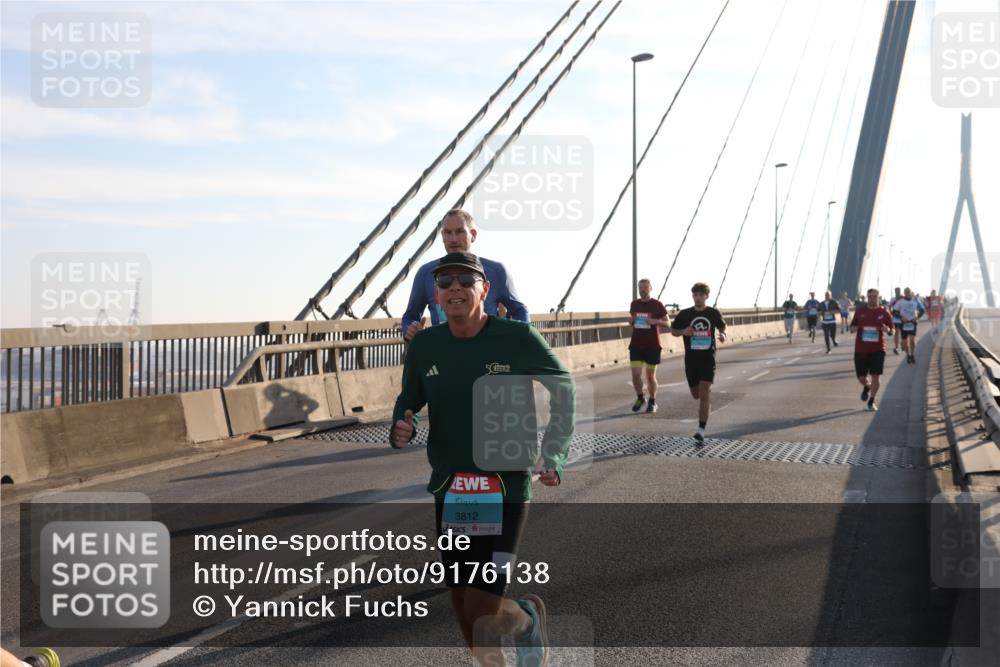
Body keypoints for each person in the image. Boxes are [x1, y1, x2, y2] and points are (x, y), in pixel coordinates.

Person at [391, 251, 574, 667]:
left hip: (505, 485)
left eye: (465, 280)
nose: (454, 287)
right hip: (452, 486)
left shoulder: (517, 338)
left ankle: (526, 620)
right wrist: (401, 425)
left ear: (485, 289)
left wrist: (555, 451)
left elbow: (563, 387)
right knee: (461, 601)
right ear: (436, 294)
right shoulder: (425, 345)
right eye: (445, 281)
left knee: (484, 605)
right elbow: (408, 399)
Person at [401, 209, 528, 342]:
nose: (453, 239)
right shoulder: (426, 273)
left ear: (473, 235)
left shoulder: (496, 271)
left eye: (460, 231)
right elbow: (410, 316)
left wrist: (518, 341)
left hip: (487, 349)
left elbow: (519, 310)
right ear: (442, 236)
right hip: (445, 350)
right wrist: (410, 330)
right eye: (448, 233)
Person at [670, 282, 727, 443]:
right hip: (691, 360)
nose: (698, 298)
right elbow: (673, 331)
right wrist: (683, 331)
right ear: (692, 296)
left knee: (704, 393)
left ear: (706, 296)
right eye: (695, 295)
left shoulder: (713, 313)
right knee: (696, 394)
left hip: (708, 358)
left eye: (701, 295)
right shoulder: (685, 314)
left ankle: (701, 430)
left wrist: (723, 335)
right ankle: (704, 401)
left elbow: (723, 327)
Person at [628, 278, 670, 413]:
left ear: (650, 289)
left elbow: (668, 323)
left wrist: (655, 321)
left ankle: (652, 401)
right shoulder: (634, 304)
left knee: (650, 377)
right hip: (636, 344)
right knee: (635, 376)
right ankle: (640, 398)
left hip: (652, 345)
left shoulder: (657, 305)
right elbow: (632, 320)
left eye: (645, 287)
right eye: (640, 288)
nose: (642, 290)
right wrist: (631, 320)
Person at [849, 288, 895, 411]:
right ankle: (867, 386)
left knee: (876, 376)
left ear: (878, 297)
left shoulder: (884, 312)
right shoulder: (860, 312)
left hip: (878, 349)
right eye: (870, 296)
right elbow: (852, 326)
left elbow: (892, 329)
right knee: (861, 378)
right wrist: (853, 329)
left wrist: (888, 330)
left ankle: (872, 400)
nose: (872, 299)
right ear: (867, 297)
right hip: (861, 349)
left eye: (874, 296)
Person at [896, 287, 924, 364]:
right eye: (906, 292)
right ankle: (908, 355)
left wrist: (917, 317)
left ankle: (912, 354)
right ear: (904, 293)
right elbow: (894, 311)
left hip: (912, 322)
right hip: (903, 323)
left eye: (909, 292)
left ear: (911, 293)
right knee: (905, 341)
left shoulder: (915, 300)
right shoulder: (901, 301)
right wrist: (901, 317)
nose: (908, 294)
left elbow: (922, 310)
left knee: (912, 340)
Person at [888, 287, 904, 355]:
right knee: (897, 332)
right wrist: (891, 313)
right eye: (896, 290)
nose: (897, 292)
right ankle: (896, 347)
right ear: (895, 291)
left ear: (900, 291)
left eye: (898, 290)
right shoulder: (893, 299)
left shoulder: (903, 298)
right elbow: (889, 306)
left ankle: (902, 343)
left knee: (903, 332)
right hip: (896, 318)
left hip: (903, 317)